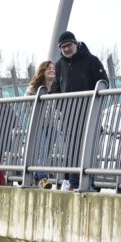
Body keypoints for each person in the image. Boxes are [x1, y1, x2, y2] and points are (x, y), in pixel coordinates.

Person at [49, 31, 109, 190]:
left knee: (89, 148)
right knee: (72, 150)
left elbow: (103, 83)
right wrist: (61, 106)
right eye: (63, 47)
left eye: (68, 45)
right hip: (69, 117)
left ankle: (91, 183)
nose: (66, 49)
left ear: (75, 44)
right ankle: (75, 184)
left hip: (90, 114)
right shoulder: (59, 65)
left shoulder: (92, 60)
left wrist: (92, 102)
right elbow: (55, 89)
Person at [26, 61, 56, 186]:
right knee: (42, 151)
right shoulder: (34, 88)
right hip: (38, 124)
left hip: (52, 125)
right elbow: (27, 105)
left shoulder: (55, 87)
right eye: (49, 68)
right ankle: (44, 179)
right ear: (42, 71)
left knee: (45, 153)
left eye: (53, 68)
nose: (52, 70)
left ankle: (36, 176)